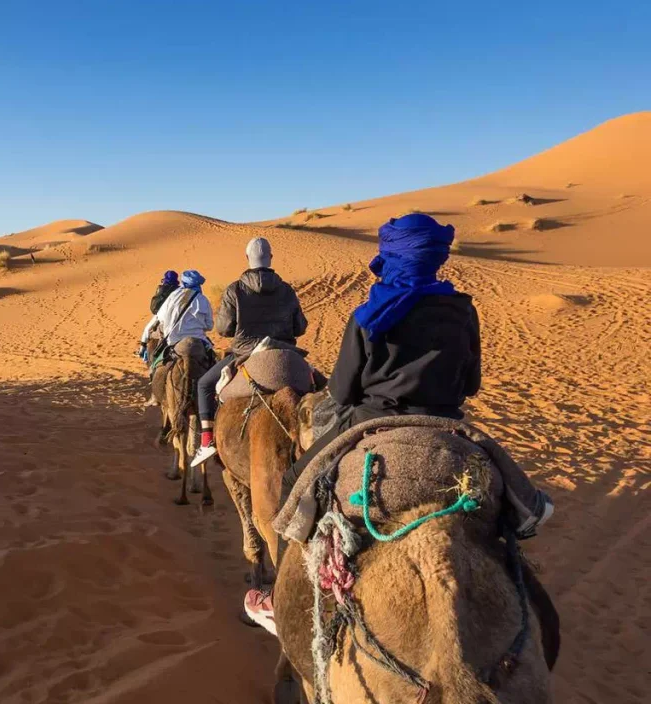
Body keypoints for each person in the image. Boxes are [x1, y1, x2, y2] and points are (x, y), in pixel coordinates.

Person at [243, 213, 481, 635]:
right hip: (444, 422)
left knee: (297, 478)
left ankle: (281, 598)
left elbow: (343, 391)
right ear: (433, 257)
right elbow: (471, 383)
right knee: (499, 480)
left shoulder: (372, 314)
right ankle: (528, 512)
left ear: (391, 255)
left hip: (371, 418)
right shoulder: (462, 309)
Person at [191, 237, 307, 467]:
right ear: (270, 258)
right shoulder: (286, 290)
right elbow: (300, 327)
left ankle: (206, 441)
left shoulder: (235, 290)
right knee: (323, 387)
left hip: (245, 353)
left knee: (204, 384)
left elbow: (224, 329)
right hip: (284, 352)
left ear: (247, 259)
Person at [138, 269, 214, 366]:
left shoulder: (173, 296)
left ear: (183, 282)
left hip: (173, 340)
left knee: (156, 363)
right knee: (213, 360)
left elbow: (161, 317)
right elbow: (209, 326)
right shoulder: (203, 300)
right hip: (198, 340)